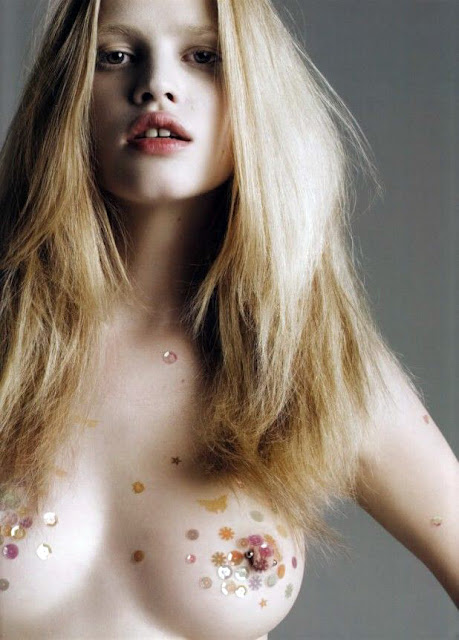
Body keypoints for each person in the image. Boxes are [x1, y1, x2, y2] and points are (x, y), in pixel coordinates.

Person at [0, 0, 457, 637]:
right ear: (65, 95)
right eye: (116, 56)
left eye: (204, 56)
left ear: (254, 86)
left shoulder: (319, 366)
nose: (156, 85)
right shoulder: (11, 351)